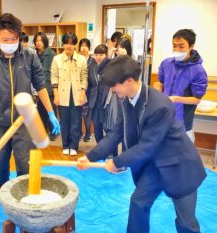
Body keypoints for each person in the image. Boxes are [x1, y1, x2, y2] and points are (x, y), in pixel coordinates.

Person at [78, 55, 206, 233]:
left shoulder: (160, 105)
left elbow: (147, 146)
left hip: (179, 165)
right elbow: (115, 135)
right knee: (138, 202)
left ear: (129, 81)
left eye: (115, 85)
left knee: (186, 222)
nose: (113, 90)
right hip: (154, 164)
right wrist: (89, 157)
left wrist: (117, 162)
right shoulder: (126, 101)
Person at [0, 13, 60, 203]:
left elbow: (40, 86)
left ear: (19, 36)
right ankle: (0, 187)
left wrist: (50, 113)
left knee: (25, 161)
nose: (10, 43)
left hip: (24, 120)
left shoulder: (29, 56)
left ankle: (23, 190)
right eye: (5, 39)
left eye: (14, 39)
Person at [155, 29, 207, 142]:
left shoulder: (198, 70)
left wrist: (176, 99)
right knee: (162, 154)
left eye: (181, 46)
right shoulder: (166, 63)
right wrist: (158, 88)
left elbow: (196, 99)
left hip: (182, 121)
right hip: (163, 117)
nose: (176, 50)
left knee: (182, 156)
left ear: (191, 46)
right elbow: (160, 83)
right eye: (174, 46)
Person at [51, 32, 88, 156]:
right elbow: (54, 78)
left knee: (76, 122)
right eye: (66, 43)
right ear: (63, 44)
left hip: (77, 95)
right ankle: (65, 145)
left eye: (71, 44)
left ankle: (74, 146)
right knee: (64, 122)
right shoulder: (56, 59)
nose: (69, 46)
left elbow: (84, 78)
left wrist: (83, 93)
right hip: (62, 95)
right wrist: (56, 95)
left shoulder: (81, 59)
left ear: (75, 45)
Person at [33, 31, 58, 140]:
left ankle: (53, 132)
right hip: (38, 89)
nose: (38, 43)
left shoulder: (51, 54)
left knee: (51, 111)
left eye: (40, 41)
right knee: (41, 111)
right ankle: (43, 131)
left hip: (49, 88)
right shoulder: (33, 54)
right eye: (36, 41)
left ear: (45, 42)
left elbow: (55, 72)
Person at [79, 38, 99, 142]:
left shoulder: (93, 61)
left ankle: (87, 133)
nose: (83, 47)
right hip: (78, 90)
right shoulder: (76, 59)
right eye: (82, 45)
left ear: (89, 48)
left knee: (87, 115)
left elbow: (94, 79)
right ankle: (79, 133)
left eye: (86, 46)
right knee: (78, 114)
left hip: (90, 91)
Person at [92, 45, 109, 143]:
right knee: (97, 130)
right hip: (95, 103)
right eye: (96, 54)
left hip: (106, 103)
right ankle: (101, 150)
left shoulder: (111, 67)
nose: (98, 57)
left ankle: (111, 153)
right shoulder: (92, 66)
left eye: (101, 54)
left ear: (107, 55)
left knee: (108, 129)